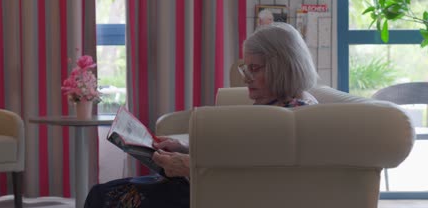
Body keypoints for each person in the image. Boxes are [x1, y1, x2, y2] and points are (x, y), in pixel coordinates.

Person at [84, 22, 318, 208]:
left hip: (207, 195)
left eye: (254, 68)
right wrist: (186, 151)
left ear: (282, 67)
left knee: (101, 196)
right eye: (245, 68)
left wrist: (188, 165)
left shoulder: (291, 116)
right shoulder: (280, 106)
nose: (246, 77)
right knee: (103, 193)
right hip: (200, 188)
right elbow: (240, 157)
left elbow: (255, 177)